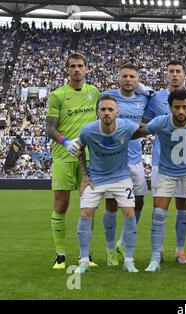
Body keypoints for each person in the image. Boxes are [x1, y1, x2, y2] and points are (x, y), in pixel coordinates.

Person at [136, 88, 186, 272]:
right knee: (158, 215)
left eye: (185, 107)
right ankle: (155, 259)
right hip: (166, 173)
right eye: (177, 107)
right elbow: (139, 132)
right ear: (170, 107)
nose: (181, 111)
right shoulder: (160, 122)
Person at [46, 52, 99, 269]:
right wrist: (65, 141)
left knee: (88, 205)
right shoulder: (57, 95)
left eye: (80, 66)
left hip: (87, 158)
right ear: (67, 69)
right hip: (63, 157)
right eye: (73, 66)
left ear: (87, 68)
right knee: (61, 204)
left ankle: (84, 256)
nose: (77, 69)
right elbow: (50, 128)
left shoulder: (94, 92)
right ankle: (60, 256)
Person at [76, 94, 139, 273]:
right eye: (103, 109)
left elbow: (143, 130)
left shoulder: (127, 126)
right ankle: (84, 261)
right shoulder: (88, 131)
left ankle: (128, 259)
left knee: (129, 213)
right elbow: (79, 149)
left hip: (121, 177)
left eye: (110, 109)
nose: (107, 112)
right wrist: (85, 177)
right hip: (96, 179)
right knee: (85, 214)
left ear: (117, 112)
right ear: (97, 112)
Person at [144, 60, 186, 264]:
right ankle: (159, 250)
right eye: (171, 71)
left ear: (184, 75)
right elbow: (145, 121)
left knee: (183, 206)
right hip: (160, 161)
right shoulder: (155, 98)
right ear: (166, 75)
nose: (175, 75)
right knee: (160, 207)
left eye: (178, 71)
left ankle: (180, 251)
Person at [101, 63, 151, 266]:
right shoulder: (108, 97)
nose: (129, 80)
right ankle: (110, 249)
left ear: (138, 80)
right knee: (112, 205)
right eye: (125, 76)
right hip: (113, 160)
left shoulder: (143, 98)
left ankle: (122, 241)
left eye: (132, 77)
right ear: (118, 78)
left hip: (135, 159)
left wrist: (144, 89)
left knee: (139, 201)